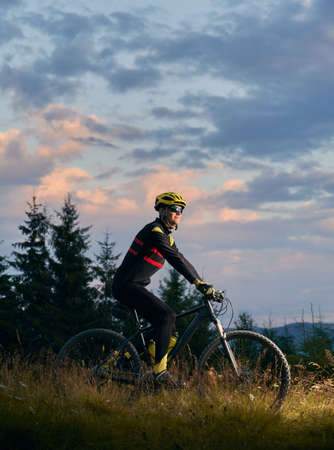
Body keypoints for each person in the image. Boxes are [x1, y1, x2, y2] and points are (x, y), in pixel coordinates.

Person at [112, 192, 215, 387]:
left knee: (164, 326)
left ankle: (123, 357)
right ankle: (160, 372)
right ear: (162, 210)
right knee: (167, 315)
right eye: (174, 209)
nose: (178, 213)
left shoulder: (166, 237)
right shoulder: (154, 231)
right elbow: (173, 258)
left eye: (181, 210)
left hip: (134, 287)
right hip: (126, 286)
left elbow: (182, 258)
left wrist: (202, 282)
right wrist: (196, 283)